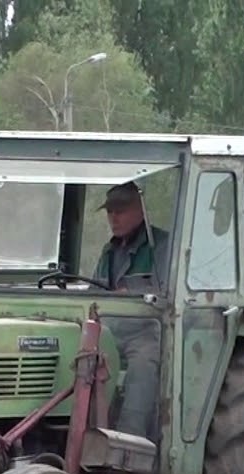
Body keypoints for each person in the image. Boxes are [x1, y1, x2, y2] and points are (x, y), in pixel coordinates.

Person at [91, 182, 169, 441]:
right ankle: (85, 433)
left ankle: (130, 440)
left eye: (120, 210)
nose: (113, 217)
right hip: (112, 329)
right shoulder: (109, 251)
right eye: (110, 211)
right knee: (80, 353)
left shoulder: (161, 248)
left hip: (147, 330)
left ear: (140, 210)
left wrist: (131, 295)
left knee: (144, 361)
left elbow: (165, 295)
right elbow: (96, 289)